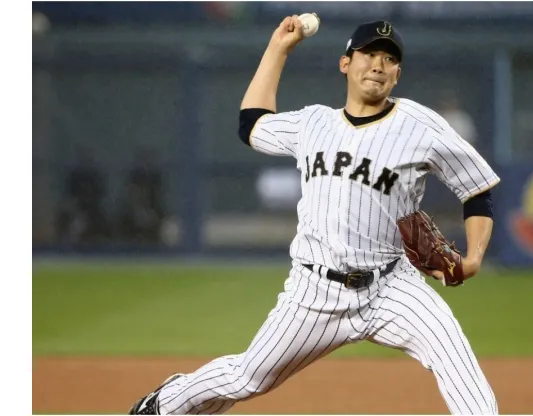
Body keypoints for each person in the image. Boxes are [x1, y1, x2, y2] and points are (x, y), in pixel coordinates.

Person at [129, 17, 500, 415]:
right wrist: (278, 48)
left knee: (454, 356)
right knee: (247, 377)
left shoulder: (420, 125)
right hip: (316, 289)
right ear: (346, 64)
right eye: (369, 53)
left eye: (388, 58)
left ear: (398, 74)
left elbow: (476, 188)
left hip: (392, 286)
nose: (378, 64)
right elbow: (251, 125)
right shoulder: (313, 123)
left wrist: (474, 256)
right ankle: (167, 402)